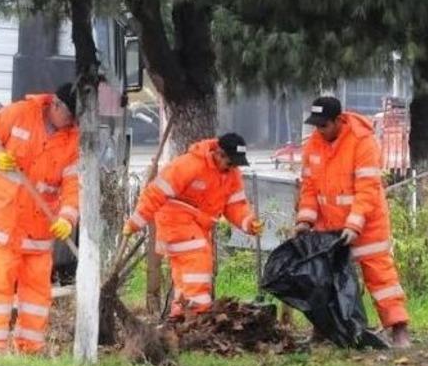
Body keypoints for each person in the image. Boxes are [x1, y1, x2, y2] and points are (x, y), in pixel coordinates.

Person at [0, 82, 80, 354]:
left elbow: (73, 186)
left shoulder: (72, 141)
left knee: (36, 296)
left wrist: (67, 218)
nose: (71, 123)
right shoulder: (19, 113)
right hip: (2, 225)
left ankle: (31, 349)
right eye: (69, 116)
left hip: (38, 232)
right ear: (55, 104)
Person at [296, 96, 411, 347]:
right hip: (329, 225)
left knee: (381, 278)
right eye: (316, 125)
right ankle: (323, 329)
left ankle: (398, 328)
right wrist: (305, 220)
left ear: (338, 120)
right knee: (324, 278)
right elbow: (309, 189)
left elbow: (367, 189)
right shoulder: (313, 145)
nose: (319, 130)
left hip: (367, 224)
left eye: (324, 125)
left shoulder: (362, 142)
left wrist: (353, 225)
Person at [123, 133, 263, 317]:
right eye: (231, 163)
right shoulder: (189, 165)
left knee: (185, 275)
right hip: (175, 220)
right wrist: (135, 223)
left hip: (197, 227)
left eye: (236, 164)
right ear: (219, 154)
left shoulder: (231, 175)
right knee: (198, 259)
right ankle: (197, 313)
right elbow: (155, 193)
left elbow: (236, 206)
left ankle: (180, 315)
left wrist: (249, 223)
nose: (233, 168)